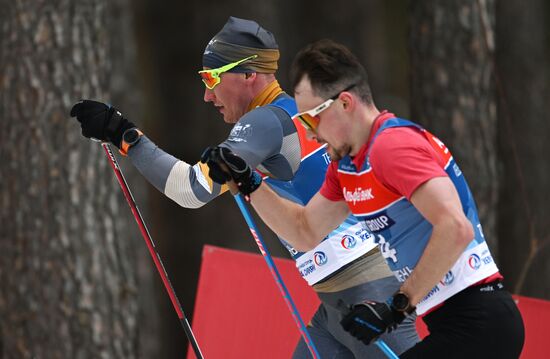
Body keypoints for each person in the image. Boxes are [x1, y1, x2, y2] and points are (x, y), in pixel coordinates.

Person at [69, 17, 418, 358]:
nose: (207, 95)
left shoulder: (265, 121)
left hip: (365, 292)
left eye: (212, 78)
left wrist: (123, 135)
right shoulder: (293, 113)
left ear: (249, 74)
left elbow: (191, 190)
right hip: (339, 300)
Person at [201, 39, 526, 358]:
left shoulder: (392, 146)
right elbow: (305, 231)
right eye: (301, 122)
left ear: (345, 103)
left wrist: (396, 307)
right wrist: (247, 180)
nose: (310, 134)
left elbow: (455, 227)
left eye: (310, 119)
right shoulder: (348, 166)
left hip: (480, 320)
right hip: (452, 323)